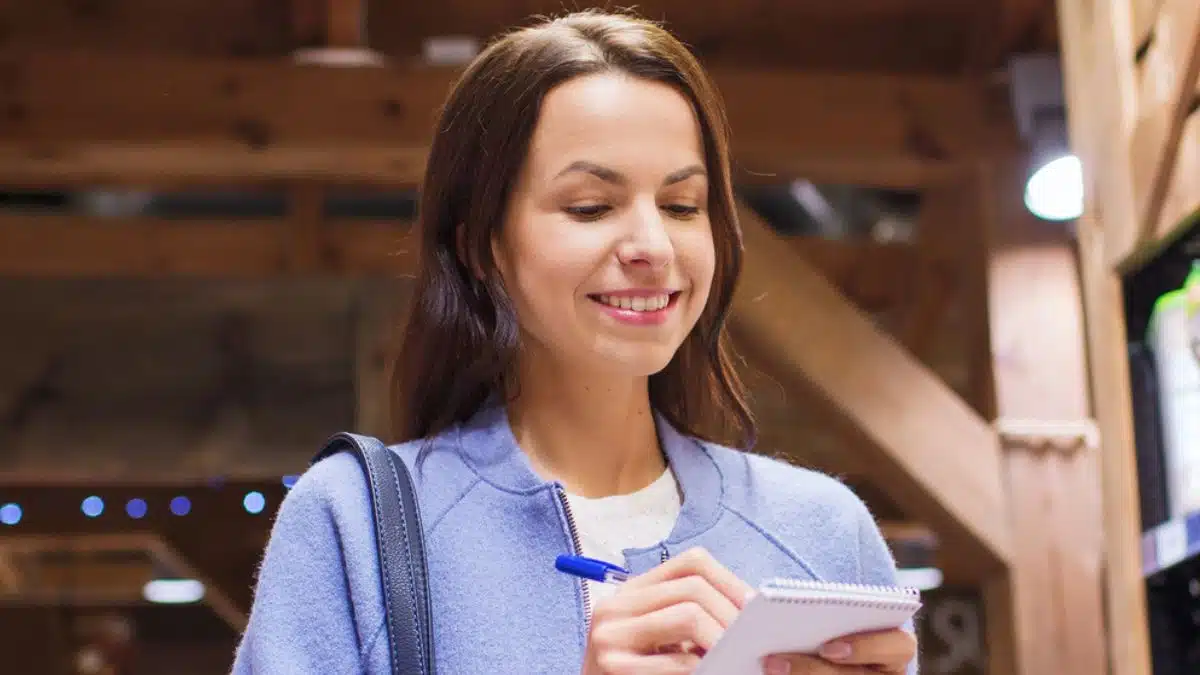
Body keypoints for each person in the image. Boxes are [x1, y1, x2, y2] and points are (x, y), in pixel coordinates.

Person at [232, 9, 918, 675]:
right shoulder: (351, 524)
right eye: (591, 206)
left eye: (682, 205)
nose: (652, 246)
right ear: (480, 244)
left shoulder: (823, 532)